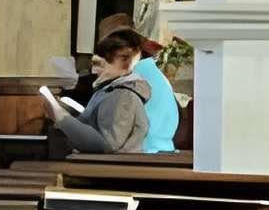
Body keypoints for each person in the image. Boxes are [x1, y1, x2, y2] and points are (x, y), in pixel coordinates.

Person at [38, 29, 180, 155]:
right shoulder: (119, 82)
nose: (95, 69)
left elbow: (108, 143)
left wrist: (61, 117)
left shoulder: (125, 89)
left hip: (143, 154)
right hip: (154, 150)